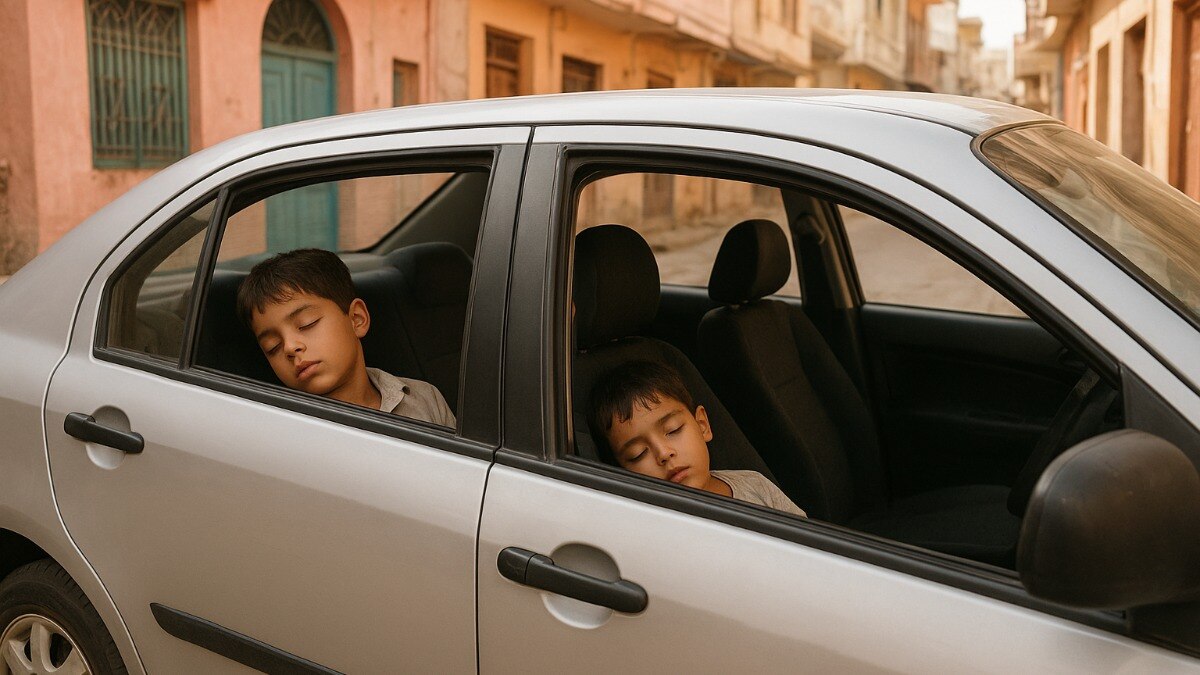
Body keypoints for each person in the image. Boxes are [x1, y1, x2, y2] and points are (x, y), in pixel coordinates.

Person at [236, 248, 455, 427]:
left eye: (307, 324)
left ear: (357, 319)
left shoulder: (424, 398)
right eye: (272, 347)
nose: (290, 347)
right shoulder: (283, 434)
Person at [588, 360, 805, 517]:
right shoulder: (657, 527)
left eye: (673, 430)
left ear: (703, 425)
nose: (664, 453)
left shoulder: (752, 482)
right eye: (638, 454)